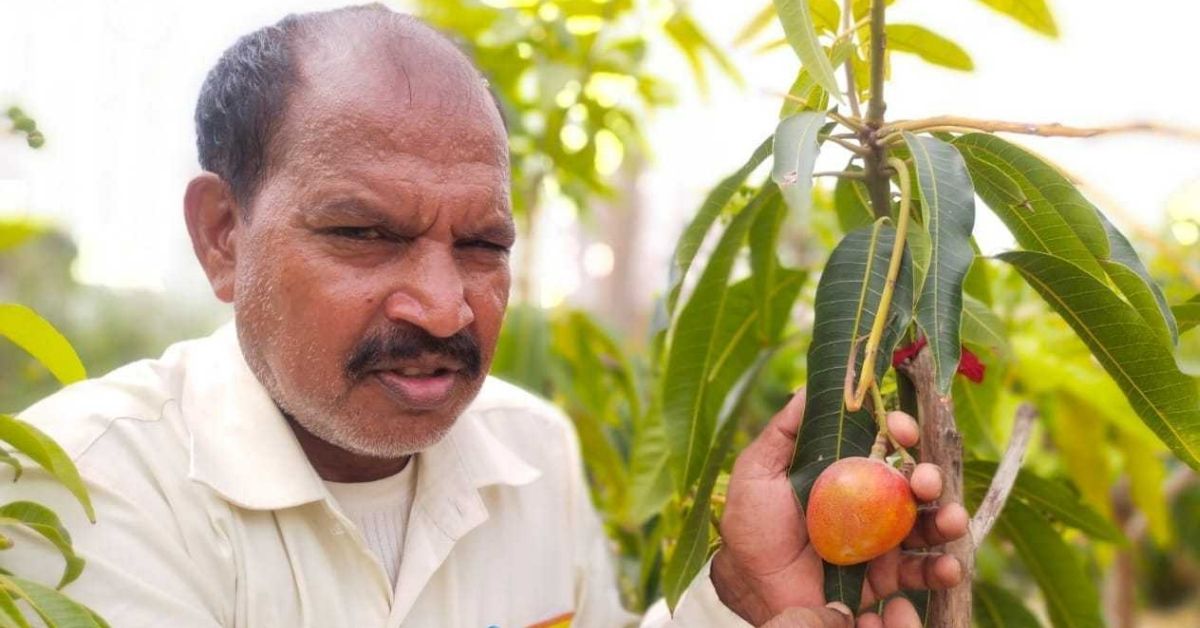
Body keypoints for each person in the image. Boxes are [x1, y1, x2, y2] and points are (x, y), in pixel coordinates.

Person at [1, 5, 966, 627]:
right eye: (363, 234)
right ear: (223, 237)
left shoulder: (530, 450)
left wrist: (743, 605)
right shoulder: (82, 492)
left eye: (485, 246)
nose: (446, 304)